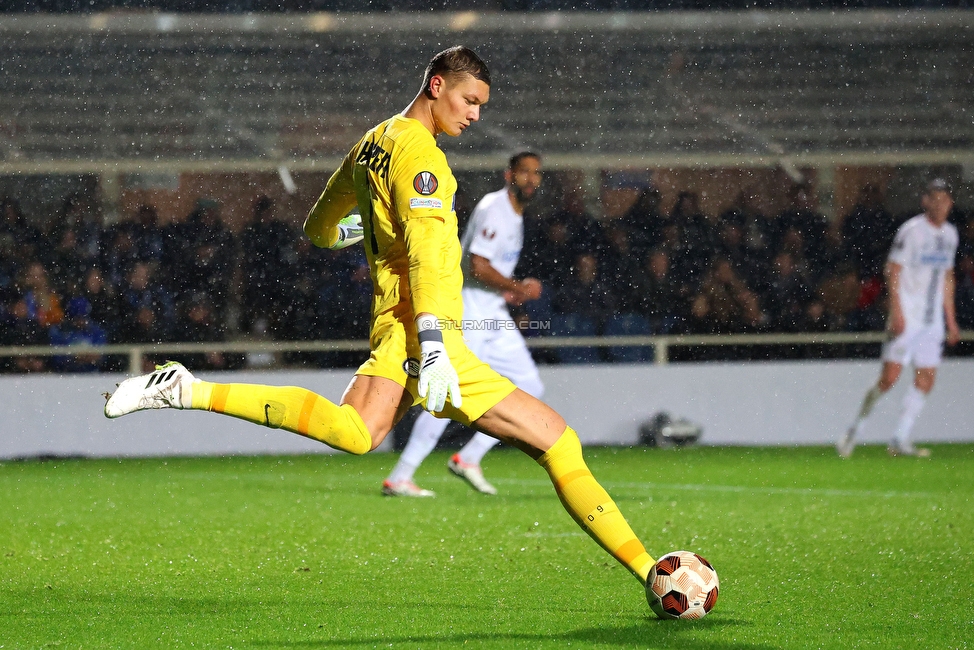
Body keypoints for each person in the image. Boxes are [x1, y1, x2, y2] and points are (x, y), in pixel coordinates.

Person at [103, 47, 655, 589]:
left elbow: (318, 228)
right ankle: (653, 573)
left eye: (481, 105)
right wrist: (435, 346)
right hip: (425, 333)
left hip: (396, 328)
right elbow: (428, 258)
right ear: (436, 85)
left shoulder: (372, 142)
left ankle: (187, 390)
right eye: (469, 100)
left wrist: (361, 229)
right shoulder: (424, 160)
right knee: (558, 444)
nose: (475, 115)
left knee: (357, 432)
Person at [382, 152, 545, 497]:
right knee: (446, 388)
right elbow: (478, 265)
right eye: (525, 172)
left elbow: (488, 271)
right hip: (470, 310)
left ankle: (468, 457)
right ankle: (401, 475)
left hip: (492, 309)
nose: (531, 179)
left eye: (536, 173)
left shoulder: (513, 214)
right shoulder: (495, 209)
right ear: (509, 175)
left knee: (530, 385)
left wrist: (507, 292)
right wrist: (519, 287)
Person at [837, 179, 960, 458]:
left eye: (945, 199)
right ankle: (855, 428)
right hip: (908, 317)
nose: (940, 204)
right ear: (925, 201)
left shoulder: (950, 235)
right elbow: (892, 270)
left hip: (932, 320)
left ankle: (900, 439)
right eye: (935, 198)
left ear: (950, 203)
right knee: (889, 378)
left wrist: (950, 320)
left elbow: (947, 278)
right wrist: (897, 312)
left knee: (927, 377)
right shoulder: (913, 231)